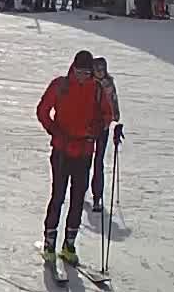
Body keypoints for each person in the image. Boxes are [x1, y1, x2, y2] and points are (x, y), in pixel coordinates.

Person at [35, 50, 114, 264]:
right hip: (62, 151)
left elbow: (108, 114)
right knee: (58, 197)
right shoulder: (61, 85)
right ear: (73, 68)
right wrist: (54, 130)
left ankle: (69, 245)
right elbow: (42, 110)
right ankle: (49, 242)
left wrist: (99, 127)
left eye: (86, 72)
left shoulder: (97, 89)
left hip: (85, 152)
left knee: (78, 199)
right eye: (79, 71)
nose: (82, 76)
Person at [89, 57, 122, 212]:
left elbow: (114, 101)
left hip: (103, 127)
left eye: (102, 69)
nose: (100, 73)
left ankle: (97, 197)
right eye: (97, 70)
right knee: (84, 161)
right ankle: (80, 191)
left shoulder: (108, 84)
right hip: (88, 127)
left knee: (98, 162)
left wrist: (115, 117)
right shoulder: (88, 83)